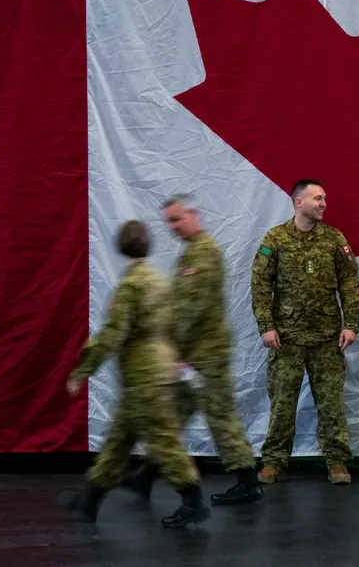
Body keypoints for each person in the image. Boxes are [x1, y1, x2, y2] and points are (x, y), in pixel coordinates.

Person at [60, 220, 209, 528]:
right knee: (118, 442)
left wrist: (83, 369)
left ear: (120, 246)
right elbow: (173, 324)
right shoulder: (158, 281)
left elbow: (113, 334)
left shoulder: (130, 286)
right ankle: (91, 500)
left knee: (163, 440)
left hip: (144, 376)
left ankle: (193, 499)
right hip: (154, 372)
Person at [121, 195, 264, 506]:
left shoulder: (203, 253)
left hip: (206, 357)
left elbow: (188, 309)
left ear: (193, 215)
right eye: (168, 222)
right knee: (173, 417)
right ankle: (145, 478)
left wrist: (168, 348)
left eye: (177, 219)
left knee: (220, 417)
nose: (173, 227)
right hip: (194, 356)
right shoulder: (192, 253)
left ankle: (248, 483)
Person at [251, 179, 359, 484]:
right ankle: (274, 461)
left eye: (325, 198)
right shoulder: (275, 239)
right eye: (318, 198)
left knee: (331, 404)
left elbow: (350, 284)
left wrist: (351, 324)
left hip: (327, 337)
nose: (324, 203)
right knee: (282, 404)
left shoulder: (333, 239)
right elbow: (260, 285)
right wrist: (266, 326)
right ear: (299, 202)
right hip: (285, 338)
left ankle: (337, 461)